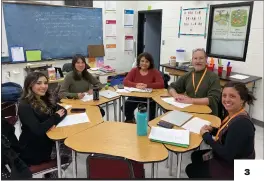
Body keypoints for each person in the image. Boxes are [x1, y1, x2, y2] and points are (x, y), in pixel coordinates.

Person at [185, 81, 256, 179]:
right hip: (231, 156)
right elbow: (228, 131)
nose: (227, 99)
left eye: (232, 96)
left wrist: (206, 136)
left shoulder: (241, 124)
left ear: (242, 100)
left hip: (237, 166)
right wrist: (213, 130)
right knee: (196, 156)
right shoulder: (236, 113)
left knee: (190, 169)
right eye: (224, 95)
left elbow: (226, 154)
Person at [18, 72, 67, 165]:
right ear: (29, 85)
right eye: (39, 83)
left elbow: (63, 110)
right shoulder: (24, 105)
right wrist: (55, 118)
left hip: (46, 140)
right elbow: (38, 129)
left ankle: (52, 173)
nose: (43, 86)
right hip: (34, 149)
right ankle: (52, 174)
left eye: (45, 83)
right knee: (69, 151)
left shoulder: (43, 98)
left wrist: (53, 123)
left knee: (66, 144)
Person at [168, 48, 221, 116]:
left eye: (201, 58)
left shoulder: (213, 77)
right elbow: (171, 87)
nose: (198, 61)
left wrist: (191, 100)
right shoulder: (188, 75)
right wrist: (175, 95)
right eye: (195, 58)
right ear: (192, 60)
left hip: (207, 113)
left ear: (206, 59)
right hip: (190, 111)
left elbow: (212, 99)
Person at [123, 52, 164, 123]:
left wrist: (147, 85)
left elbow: (161, 84)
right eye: (142, 61)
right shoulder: (134, 70)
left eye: (147, 61)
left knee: (152, 112)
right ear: (139, 62)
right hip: (136, 95)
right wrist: (136, 85)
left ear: (150, 63)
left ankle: (151, 124)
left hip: (150, 97)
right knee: (125, 107)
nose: (144, 63)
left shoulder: (154, 72)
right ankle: (131, 119)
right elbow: (125, 81)